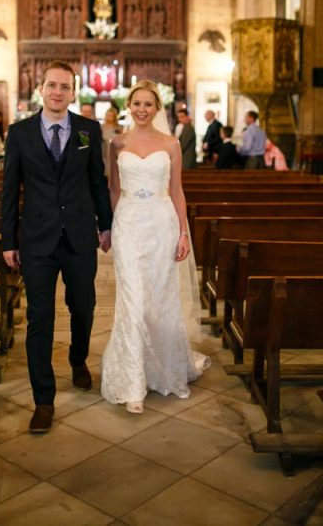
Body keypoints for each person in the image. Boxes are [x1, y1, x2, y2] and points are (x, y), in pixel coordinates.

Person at [0, 61, 113, 434]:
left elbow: (97, 181)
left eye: (65, 87)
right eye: (51, 85)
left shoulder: (87, 130)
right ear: (40, 89)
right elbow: (9, 191)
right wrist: (8, 240)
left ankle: (78, 358)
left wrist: (107, 224)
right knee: (40, 320)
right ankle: (43, 400)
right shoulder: (19, 133)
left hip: (79, 235)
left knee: (84, 307)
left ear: (73, 91)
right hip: (37, 239)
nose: (57, 92)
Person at [101, 81, 210, 414]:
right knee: (133, 300)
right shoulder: (117, 143)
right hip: (129, 223)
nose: (142, 109)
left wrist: (183, 233)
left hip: (161, 223)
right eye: (137, 103)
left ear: (157, 108)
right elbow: (113, 189)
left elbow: (177, 190)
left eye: (149, 104)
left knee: (161, 298)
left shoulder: (171, 144)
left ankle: (164, 368)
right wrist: (107, 227)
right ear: (129, 106)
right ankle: (132, 382)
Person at [101, 107, 122, 176]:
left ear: (114, 117)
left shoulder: (119, 128)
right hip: (104, 153)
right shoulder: (101, 127)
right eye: (108, 115)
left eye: (111, 116)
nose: (109, 117)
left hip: (115, 154)